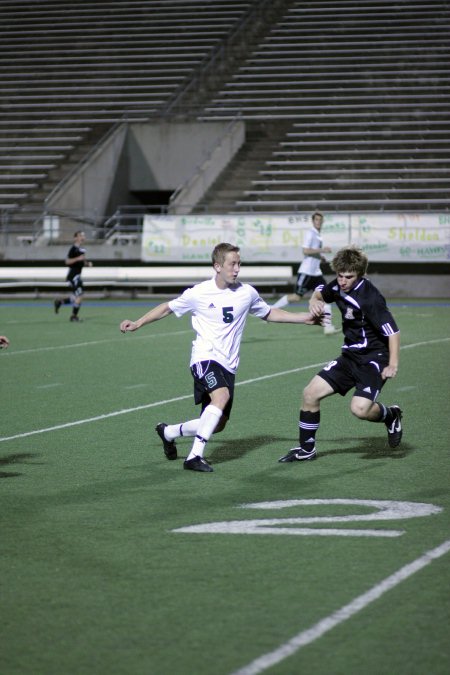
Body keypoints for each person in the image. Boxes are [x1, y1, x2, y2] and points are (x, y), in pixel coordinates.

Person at [120, 242, 322, 473]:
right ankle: (194, 457)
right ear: (217, 266)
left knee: (218, 424)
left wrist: (305, 318)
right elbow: (167, 307)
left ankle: (169, 432)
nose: (236, 269)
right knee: (221, 396)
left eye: (239, 264)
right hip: (204, 358)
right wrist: (138, 322)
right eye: (232, 264)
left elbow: (269, 313)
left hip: (229, 364)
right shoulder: (199, 292)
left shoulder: (247, 292)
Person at [278, 245, 403, 463]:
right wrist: (313, 301)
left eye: (349, 276)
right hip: (349, 357)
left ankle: (391, 416)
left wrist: (392, 363)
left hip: (374, 359)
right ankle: (306, 450)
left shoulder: (370, 297)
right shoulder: (337, 286)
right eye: (339, 275)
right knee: (310, 394)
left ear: (360, 275)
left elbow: (393, 331)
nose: (343, 280)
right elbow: (320, 292)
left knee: (360, 410)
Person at [272, 211, 338, 335]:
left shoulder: (318, 235)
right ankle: (271, 310)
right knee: (296, 297)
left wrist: (320, 257)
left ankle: (328, 327)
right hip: (307, 272)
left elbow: (313, 252)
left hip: (316, 273)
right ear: (313, 221)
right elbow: (306, 251)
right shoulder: (310, 233)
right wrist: (322, 250)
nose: (318, 222)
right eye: (316, 220)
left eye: (320, 220)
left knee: (326, 295)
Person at [54, 231, 92, 322]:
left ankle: (60, 302)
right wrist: (78, 258)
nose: (82, 237)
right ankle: (73, 316)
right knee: (79, 295)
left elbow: (82, 261)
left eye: (83, 235)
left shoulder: (81, 249)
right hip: (73, 276)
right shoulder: (73, 249)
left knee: (76, 297)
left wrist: (87, 264)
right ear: (75, 238)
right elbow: (67, 262)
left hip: (77, 276)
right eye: (80, 236)